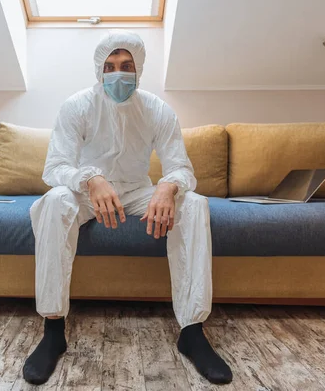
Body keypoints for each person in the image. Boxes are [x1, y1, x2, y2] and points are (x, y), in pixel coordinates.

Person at [24, 30, 233, 385]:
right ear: (98, 70)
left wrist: (167, 187)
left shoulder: (156, 109)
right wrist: (90, 179)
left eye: (125, 66)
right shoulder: (77, 106)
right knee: (55, 200)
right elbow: (55, 168)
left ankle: (192, 332)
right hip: (88, 192)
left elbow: (180, 166)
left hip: (138, 190)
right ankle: (53, 329)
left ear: (138, 69)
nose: (117, 74)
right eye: (109, 66)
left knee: (194, 204)